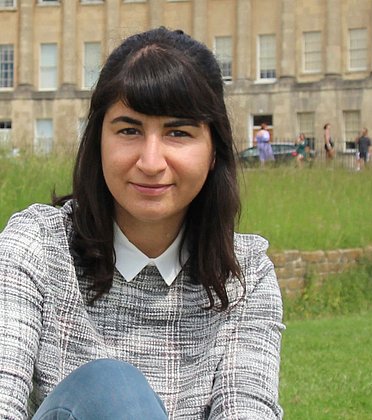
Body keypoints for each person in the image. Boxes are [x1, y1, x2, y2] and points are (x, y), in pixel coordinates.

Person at [0, 28, 284, 418]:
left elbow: (246, 409)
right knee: (112, 390)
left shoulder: (245, 274)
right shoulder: (36, 247)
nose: (151, 162)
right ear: (98, 139)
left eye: (178, 132)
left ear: (214, 151)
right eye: (129, 130)